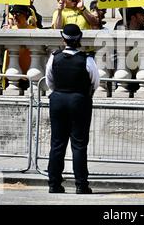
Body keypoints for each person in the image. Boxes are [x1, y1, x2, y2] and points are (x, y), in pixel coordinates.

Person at [45, 24, 99, 194]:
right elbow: (95, 82)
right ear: (80, 39)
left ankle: (54, 183)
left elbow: (49, 80)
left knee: (57, 143)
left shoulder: (55, 57)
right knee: (79, 145)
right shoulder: (87, 59)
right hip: (79, 100)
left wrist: (60, 91)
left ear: (63, 39)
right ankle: (81, 184)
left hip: (58, 100)